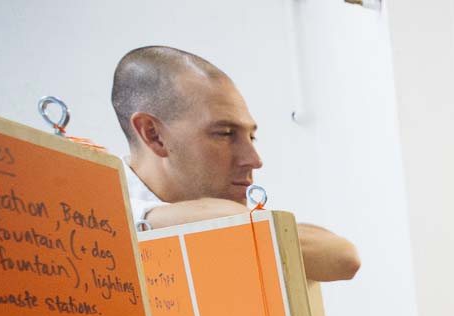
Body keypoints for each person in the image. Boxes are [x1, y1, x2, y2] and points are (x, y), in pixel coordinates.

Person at [111, 46, 360, 282]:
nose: (254, 160)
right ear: (153, 134)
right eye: (226, 134)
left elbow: (342, 257)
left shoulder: (223, 211)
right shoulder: (96, 222)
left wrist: (225, 220)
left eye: (252, 137)